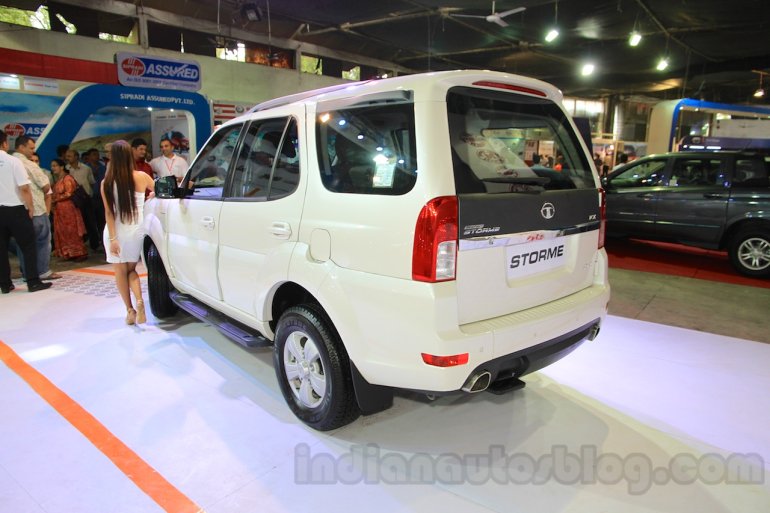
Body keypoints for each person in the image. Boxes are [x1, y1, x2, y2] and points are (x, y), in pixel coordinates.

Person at [102, 140, 155, 325]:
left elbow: (109, 213)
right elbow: (159, 191)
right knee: (132, 270)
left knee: (120, 272)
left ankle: (130, 310)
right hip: (136, 231)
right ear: (129, 155)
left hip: (115, 231)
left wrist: (113, 239)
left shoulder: (107, 182)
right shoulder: (142, 176)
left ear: (112, 158)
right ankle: (140, 301)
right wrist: (151, 196)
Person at [0, 132, 52, 294]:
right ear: (5, 144)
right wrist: (30, 207)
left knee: (1, 250)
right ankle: (33, 281)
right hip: (16, 209)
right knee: (28, 247)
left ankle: (5, 284)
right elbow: (24, 187)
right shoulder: (13, 161)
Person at [12, 136, 61, 280]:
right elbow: (46, 186)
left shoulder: (9, 163)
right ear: (21, 147)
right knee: (42, 241)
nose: (33, 151)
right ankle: (42, 271)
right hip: (36, 209)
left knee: (24, 245)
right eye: (31, 148)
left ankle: (28, 273)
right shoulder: (28, 164)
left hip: (17, 210)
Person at [51, 158, 88, 261]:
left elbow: (69, 193)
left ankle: (79, 252)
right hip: (61, 210)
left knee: (72, 231)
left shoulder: (67, 178)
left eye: (55, 166)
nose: (52, 168)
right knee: (64, 232)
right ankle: (69, 253)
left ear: (62, 167)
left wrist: (55, 200)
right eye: (52, 166)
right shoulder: (59, 180)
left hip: (69, 209)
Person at [64, 148, 100, 251]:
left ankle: (95, 245)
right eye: (67, 156)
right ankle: (79, 246)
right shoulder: (66, 169)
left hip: (86, 199)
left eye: (70, 156)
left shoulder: (86, 168)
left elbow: (92, 183)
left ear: (76, 157)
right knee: (76, 224)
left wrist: (88, 194)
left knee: (90, 222)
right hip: (72, 200)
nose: (68, 158)